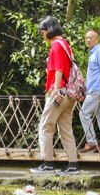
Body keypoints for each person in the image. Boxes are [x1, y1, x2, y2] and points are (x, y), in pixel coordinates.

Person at [29, 16, 79, 175]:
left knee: (45, 126)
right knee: (65, 128)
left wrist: (56, 90)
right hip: (70, 92)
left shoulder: (56, 45)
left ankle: (48, 163)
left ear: (48, 30)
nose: (42, 35)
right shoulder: (65, 44)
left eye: (42, 31)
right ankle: (73, 165)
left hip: (59, 92)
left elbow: (59, 70)